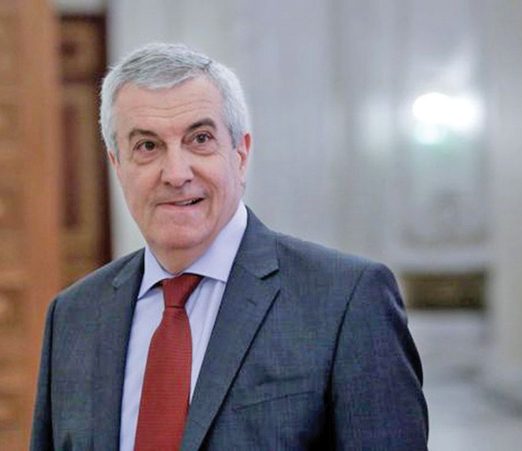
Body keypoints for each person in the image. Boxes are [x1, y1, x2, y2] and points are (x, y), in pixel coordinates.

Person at [31, 42, 428, 450]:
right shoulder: (74, 316)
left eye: (200, 139)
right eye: (147, 146)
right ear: (117, 165)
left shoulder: (345, 300)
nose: (176, 173)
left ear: (240, 154)